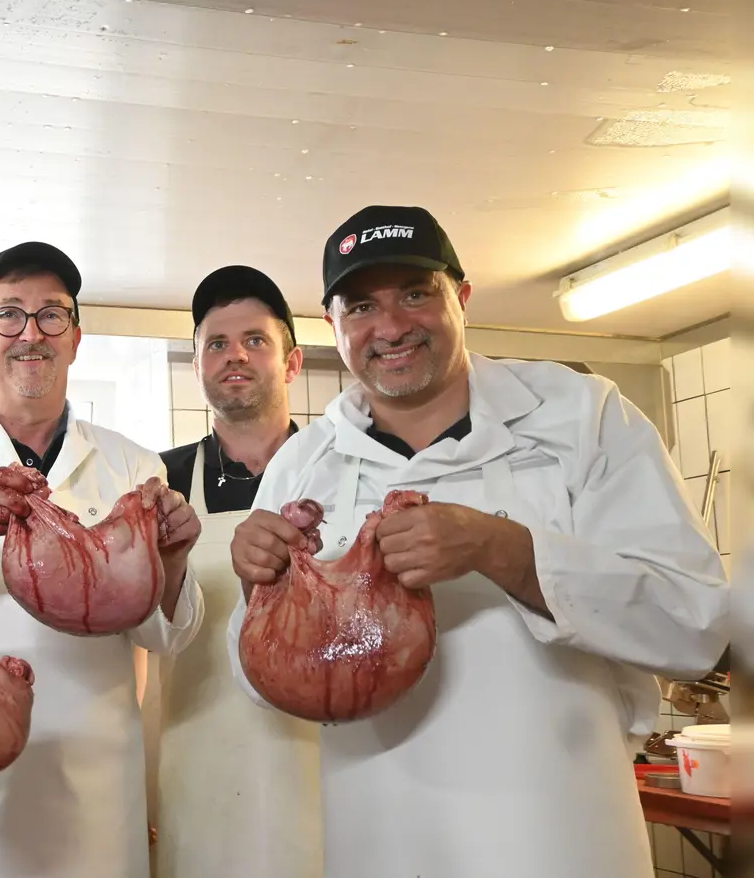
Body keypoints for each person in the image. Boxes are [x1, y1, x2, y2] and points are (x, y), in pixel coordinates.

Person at [226, 204, 730, 878]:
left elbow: (696, 629)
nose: (392, 326)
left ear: (460, 298)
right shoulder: (304, 464)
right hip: (380, 835)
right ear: (333, 327)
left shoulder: (583, 415)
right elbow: (262, 688)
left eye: (416, 293)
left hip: (562, 834)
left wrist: (506, 551)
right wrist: (260, 594)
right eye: (361, 307)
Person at [0, 241, 205, 878]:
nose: (31, 333)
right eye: (7, 315)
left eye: (52, 314)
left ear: (76, 339)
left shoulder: (132, 464)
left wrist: (173, 560)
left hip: (92, 797)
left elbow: (165, 636)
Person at [142, 266, 321, 878]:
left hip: (325, 766)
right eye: (215, 344)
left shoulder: (341, 475)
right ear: (196, 367)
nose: (234, 355)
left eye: (255, 340)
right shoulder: (159, 483)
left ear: (292, 363)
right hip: (198, 768)